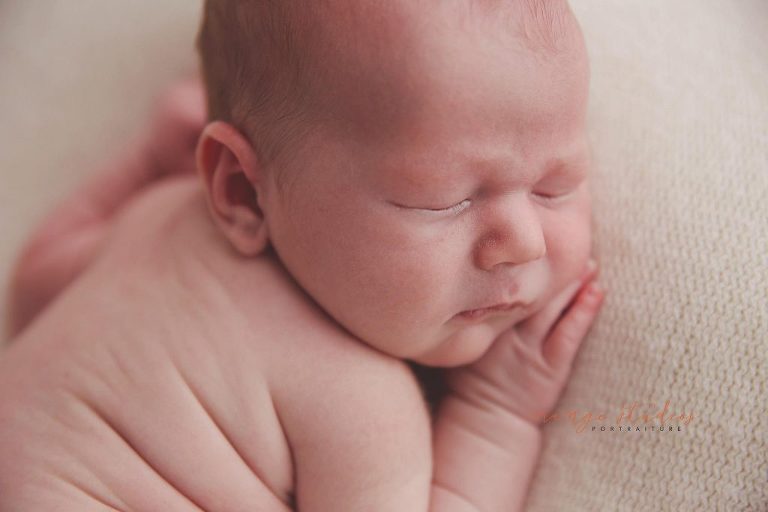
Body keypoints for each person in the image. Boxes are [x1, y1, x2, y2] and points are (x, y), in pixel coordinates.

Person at [0, 0, 605, 510]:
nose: (524, 242)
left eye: (555, 187)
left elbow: (32, 287)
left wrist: (149, 158)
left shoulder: (155, 215)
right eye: (443, 201)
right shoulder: (361, 411)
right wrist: (494, 412)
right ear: (241, 190)